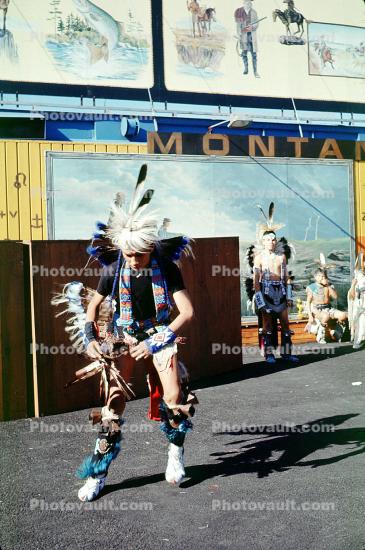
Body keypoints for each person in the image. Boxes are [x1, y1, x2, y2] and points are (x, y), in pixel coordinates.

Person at [54, 165, 197, 502]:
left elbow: (187, 312)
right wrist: (90, 339)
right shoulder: (115, 268)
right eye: (129, 253)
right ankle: (98, 472)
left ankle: (175, 454)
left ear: (152, 248)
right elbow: (93, 308)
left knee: (175, 398)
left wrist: (154, 342)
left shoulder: (167, 268)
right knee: (114, 403)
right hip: (122, 336)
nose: (133, 259)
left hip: (159, 335)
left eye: (140, 254)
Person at [247, 203, 298, 364]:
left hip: (280, 291)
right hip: (266, 290)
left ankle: (287, 353)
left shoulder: (281, 257)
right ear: (263, 241)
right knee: (267, 323)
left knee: (285, 322)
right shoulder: (259, 258)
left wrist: (289, 295)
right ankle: (269, 354)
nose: (271, 241)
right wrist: (259, 298)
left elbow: (285, 277)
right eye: (268, 239)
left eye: (273, 239)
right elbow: (256, 280)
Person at [306, 255, 348, 344]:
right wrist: (310, 316)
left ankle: (337, 333)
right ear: (316, 277)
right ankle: (321, 336)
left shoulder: (329, 285)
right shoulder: (311, 287)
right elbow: (308, 303)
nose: (323, 278)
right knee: (325, 316)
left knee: (343, 315)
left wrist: (328, 286)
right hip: (317, 309)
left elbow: (335, 297)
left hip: (328, 308)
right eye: (321, 276)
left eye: (324, 276)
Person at [234, 0, 260, 77]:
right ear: (243, 3)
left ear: (251, 4)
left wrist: (252, 27)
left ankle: (255, 72)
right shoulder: (239, 12)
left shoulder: (254, 12)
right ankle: (246, 69)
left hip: (251, 36)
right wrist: (238, 33)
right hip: (243, 36)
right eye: (246, 3)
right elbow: (238, 25)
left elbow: (257, 23)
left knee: (254, 54)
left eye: (249, 3)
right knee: (244, 53)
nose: (248, 4)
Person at [348, 253, 365, 349]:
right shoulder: (357, 277)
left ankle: (360, 340)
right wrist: (353, 285)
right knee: (359, 321)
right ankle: (358, 340)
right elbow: (351, 295)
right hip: (359, 302)